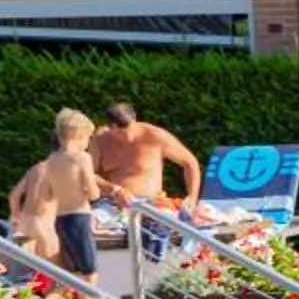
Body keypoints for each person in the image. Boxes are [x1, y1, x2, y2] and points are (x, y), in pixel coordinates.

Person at [12, 110, 105, 282]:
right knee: (90, 271)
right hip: (79, 216)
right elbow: (93, 194)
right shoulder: (82, 158)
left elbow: (47, 193)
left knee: (73, 270)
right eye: (88, 137)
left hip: (61, 219)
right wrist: (90, 192)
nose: (88, 142)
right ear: (80, 135)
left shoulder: (51, 160)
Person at [88, 101, 203, 210]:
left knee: (168, 222)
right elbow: (88, 173)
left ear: (135, 119)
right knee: (95, 222)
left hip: (150, 203)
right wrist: (114, 189)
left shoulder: (155, 136)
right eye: (121, 134)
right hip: (111, 201)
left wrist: (192, 198)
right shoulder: (100, 139)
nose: (128, 137)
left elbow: (190, 163)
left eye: (131, 130)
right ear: (110, 128)